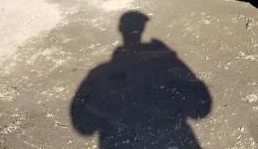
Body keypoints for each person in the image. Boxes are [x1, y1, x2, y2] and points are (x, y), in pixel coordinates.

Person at [71, 11, 212, 148]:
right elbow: (200, 106)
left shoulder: (100, 72)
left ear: (120, 28)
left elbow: (83, 123)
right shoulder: (165, 60)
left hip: (125, 140)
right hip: (168, 137)